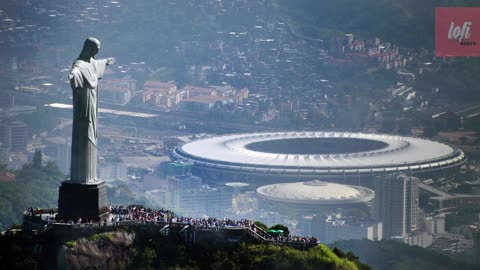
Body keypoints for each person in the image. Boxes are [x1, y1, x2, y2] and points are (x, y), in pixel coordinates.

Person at [69, 37, 115, 183]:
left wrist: (107, 61)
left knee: (92, 132)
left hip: (93, 102)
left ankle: (90, 176)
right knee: (84, 132)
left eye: (98, 50)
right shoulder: (80, 64)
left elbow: (97, 64)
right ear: (88, 48)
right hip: (84, 104)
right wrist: (73, 75)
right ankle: (82, 177)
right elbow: (76, 70)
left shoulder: (92, 63)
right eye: (95, 49)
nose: (97, 52)